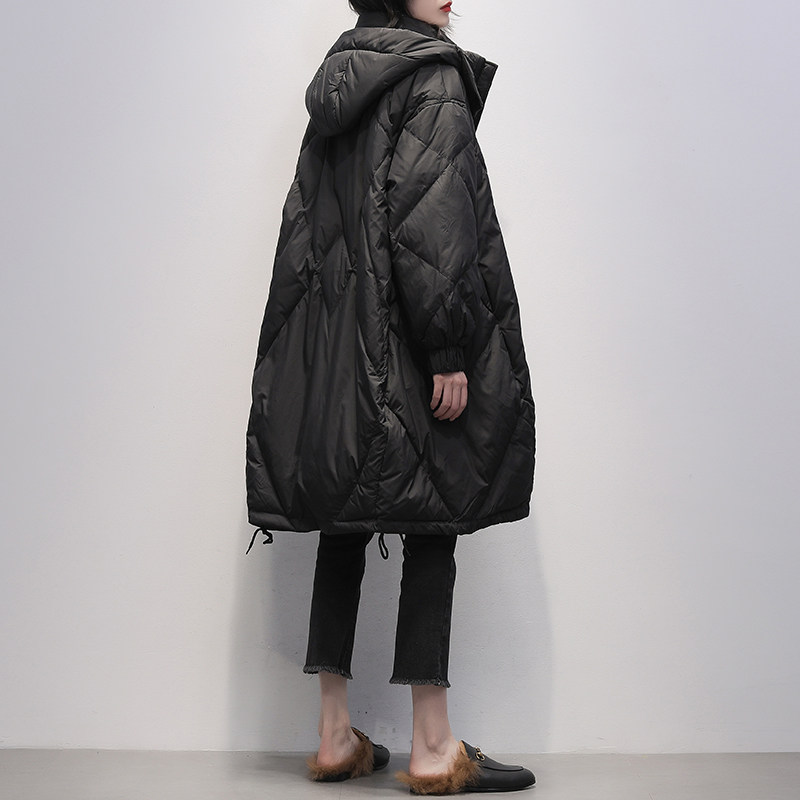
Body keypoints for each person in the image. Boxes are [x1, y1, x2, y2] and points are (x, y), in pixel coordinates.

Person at [244, 0, 536, 794]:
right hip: (408, 349)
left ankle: (334, 733)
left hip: (341, 354)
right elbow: (432, 221)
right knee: (433, 523)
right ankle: (435, 747)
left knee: (345, 525)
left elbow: (306, 236)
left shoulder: (342, 76)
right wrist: (448, 349)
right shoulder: (430, 76)